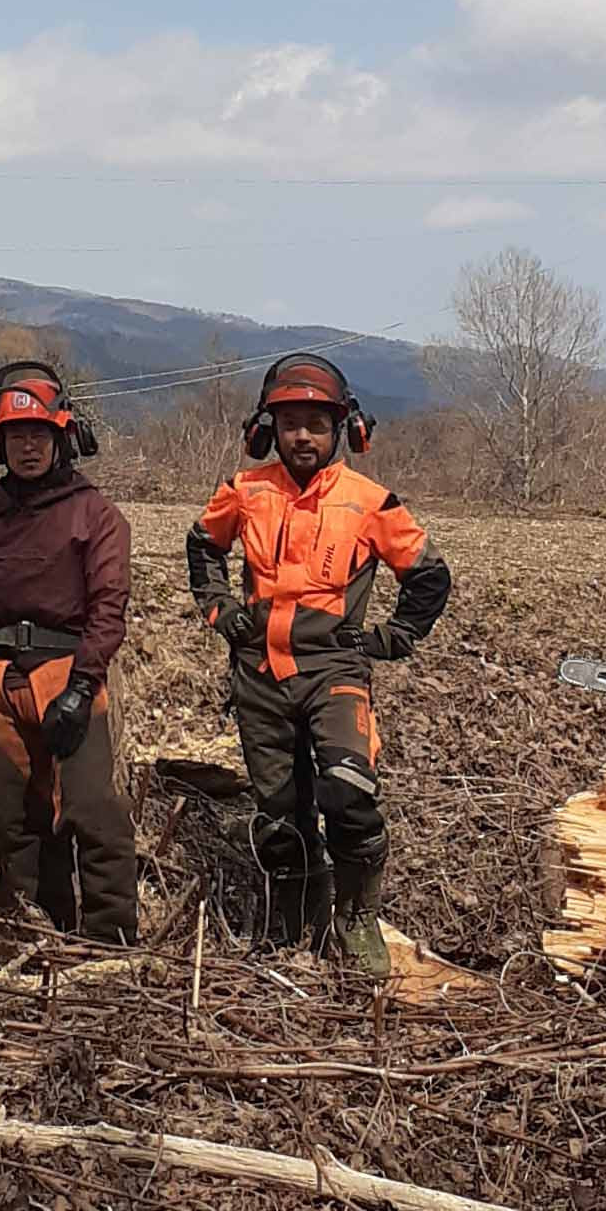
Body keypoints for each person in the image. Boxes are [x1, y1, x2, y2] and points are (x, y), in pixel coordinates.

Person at [185, 352, 450, 975]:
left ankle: (356, 916)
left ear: (344, 431)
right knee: (279, 813)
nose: (303, 435)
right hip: (259, 675)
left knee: (350, 792)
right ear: (267, 430)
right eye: (290, 422)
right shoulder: (244, 492)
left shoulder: (369, 501)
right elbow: (203, 548)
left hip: (334, 674)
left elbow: (429, 576)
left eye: (317, 423)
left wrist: (393, 638)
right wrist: (223, 613)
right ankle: (295, 916)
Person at [0, 362, 136, 944]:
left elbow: (109, 607)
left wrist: (81, 688)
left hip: (65, 669)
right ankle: (35, 932)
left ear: (62, 437)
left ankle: (112, 940)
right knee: (17, 820)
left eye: (38, 435)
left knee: (95, 814)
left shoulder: (93, 513)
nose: (27, 448)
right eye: (15, 437)